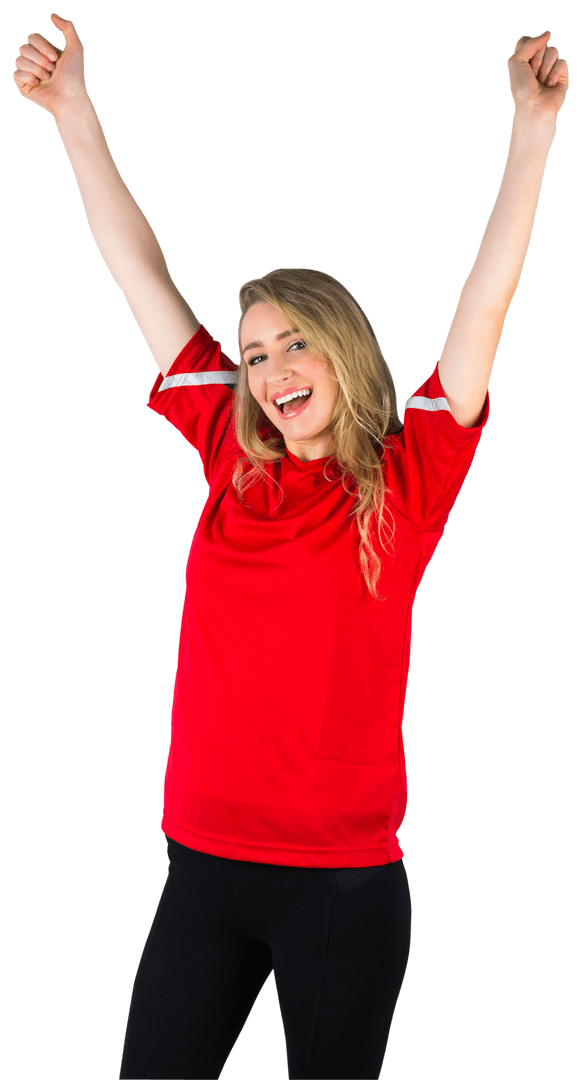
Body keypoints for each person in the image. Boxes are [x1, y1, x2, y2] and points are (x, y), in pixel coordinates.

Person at [12, 13, 569, 1080]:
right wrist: (73, 113)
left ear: (346, 347)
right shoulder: (231, 446)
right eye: (257, 350)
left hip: (340, 890)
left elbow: (485, 303)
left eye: (295, 340)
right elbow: (140, 272)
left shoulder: (409, 475)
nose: (270, 367)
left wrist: (532, 135)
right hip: (200, 870)